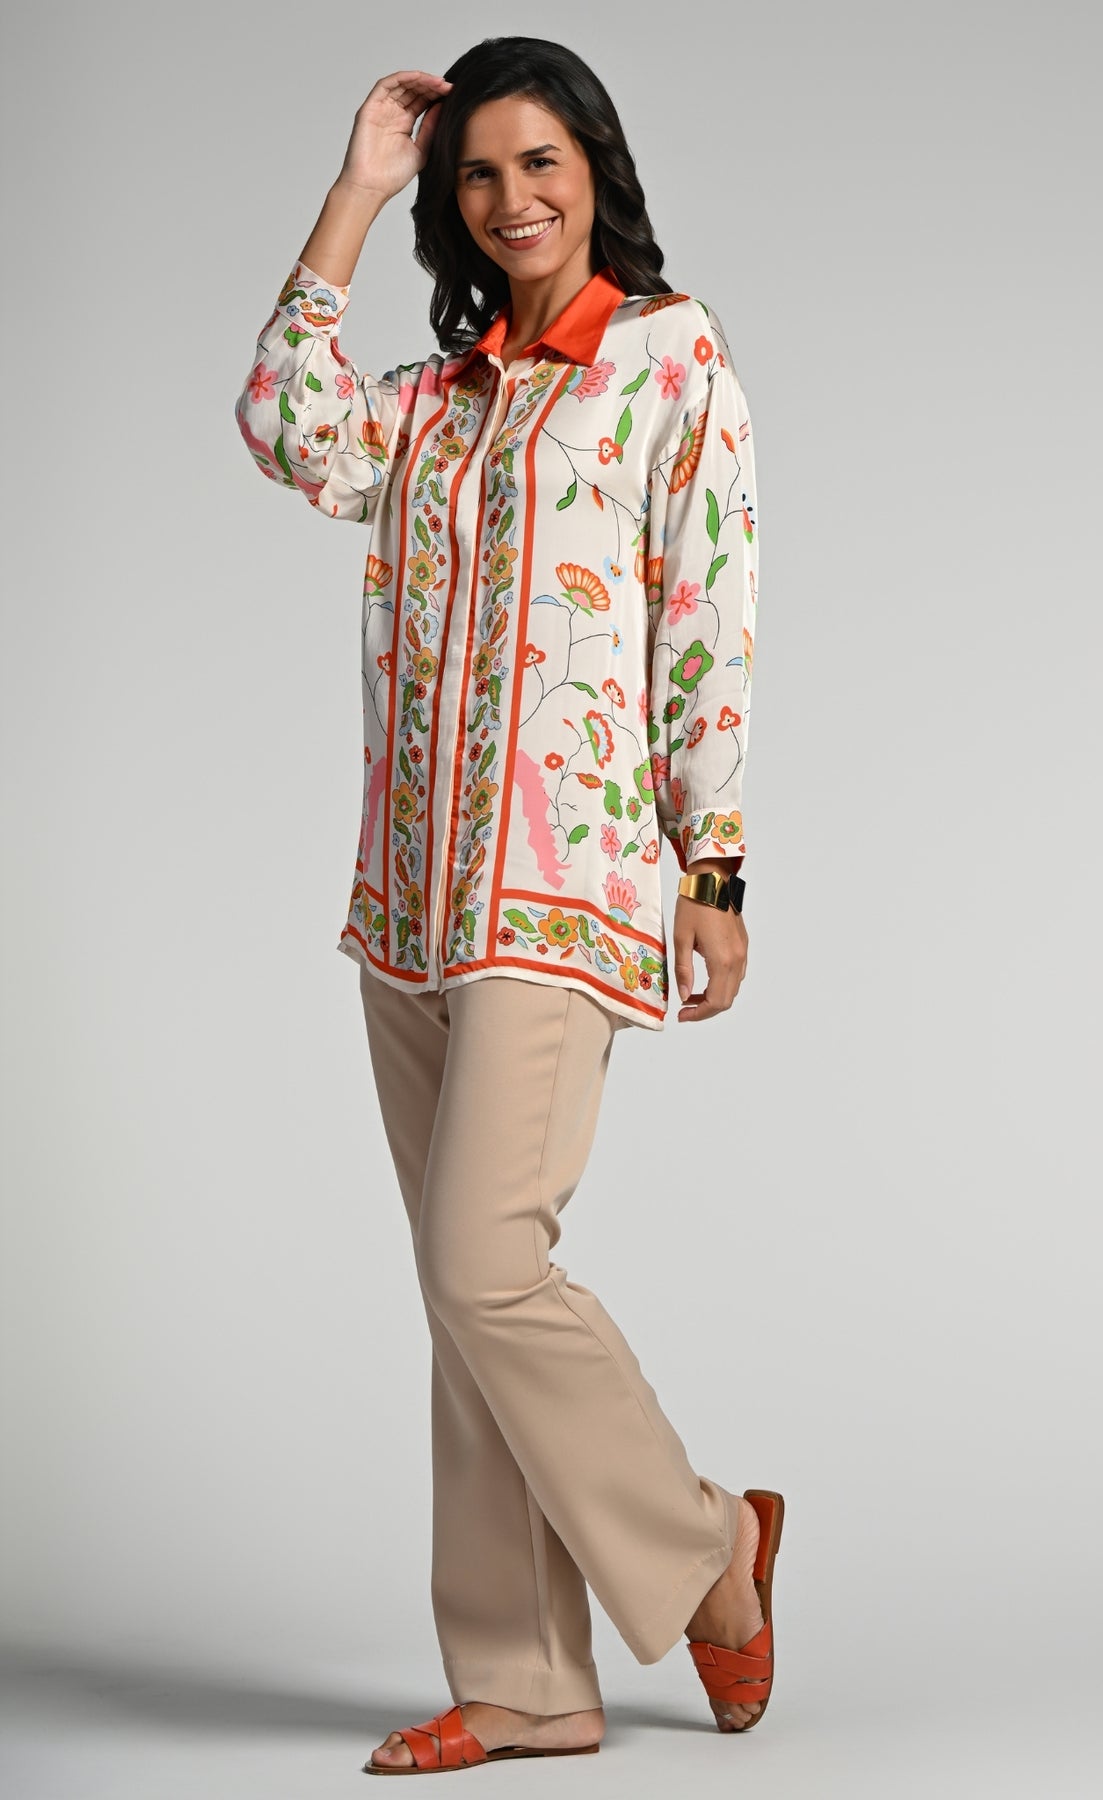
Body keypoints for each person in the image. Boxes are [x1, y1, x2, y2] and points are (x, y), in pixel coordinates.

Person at [234, 36, 782, 1777]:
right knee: (459, 1298)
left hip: (566, 890)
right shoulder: (433, 398)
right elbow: (282, 427)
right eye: (478, 173)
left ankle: (709, 1546)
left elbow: (708, 614)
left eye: (540, 161)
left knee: (488, 1270)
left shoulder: (668, 359)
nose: (511, 197)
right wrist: (354, 192)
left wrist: (714, 868)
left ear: (594, 168)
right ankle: (530, 1679)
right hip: (408, 901)